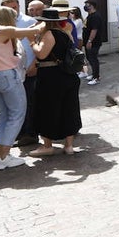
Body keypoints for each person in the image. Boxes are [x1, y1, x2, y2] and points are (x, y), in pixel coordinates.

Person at [0, 5, 43, 170]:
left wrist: (29, 29)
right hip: (6, 76)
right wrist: (44, 23)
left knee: (2, 115)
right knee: (17, 114)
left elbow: (21, 32)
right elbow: (28, 32)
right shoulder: (2, 30)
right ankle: (4, 156)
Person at [29, 8, 81, 156]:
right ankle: (69, 146)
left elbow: (41, 54)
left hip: (51, 76)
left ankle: (47, 145)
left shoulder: (49, 34)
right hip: (69, 75)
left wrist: (33, 43)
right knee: (69, 108)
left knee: (47, 109)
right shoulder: (66, 33)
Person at [12, 0, 44, 147]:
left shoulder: (31, 22)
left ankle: (30, 133)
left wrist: (34, 64)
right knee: (19, 103)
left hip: (31, 70)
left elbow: (41, 47)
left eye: (37, 9)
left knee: (30, 102)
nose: (34, 12)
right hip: (15, 71)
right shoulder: (5, 23)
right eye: (31, 9)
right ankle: (20, 132)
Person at [82, 0, 106, 86]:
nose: (85, 6)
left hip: (93, 42)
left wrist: (89, 41)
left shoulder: (95, 16)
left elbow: (94, 30)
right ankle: (93, 75)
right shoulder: (90, 16)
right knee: (90, 58)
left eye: (87, 5)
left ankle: (96, 78)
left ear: (92, 6)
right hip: (88, 42)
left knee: (93, 59)